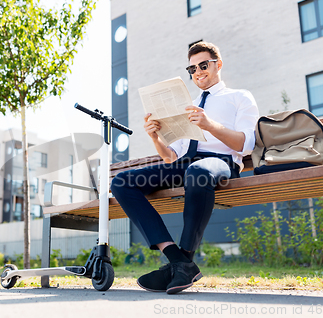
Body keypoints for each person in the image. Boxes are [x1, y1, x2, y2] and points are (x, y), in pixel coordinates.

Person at [110, 41, 259, 294]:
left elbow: (246, 146)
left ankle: (182, 263)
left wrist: (209, 125)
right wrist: (155, 137)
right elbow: (170, 157)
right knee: (121, 182)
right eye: (192, 69)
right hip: (184, 164)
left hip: (219, 163)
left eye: (203, 65)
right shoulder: (185, 105)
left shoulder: (239, 97)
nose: (198, 72)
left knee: (197, 172)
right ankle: (177, 260)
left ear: (217, 64)